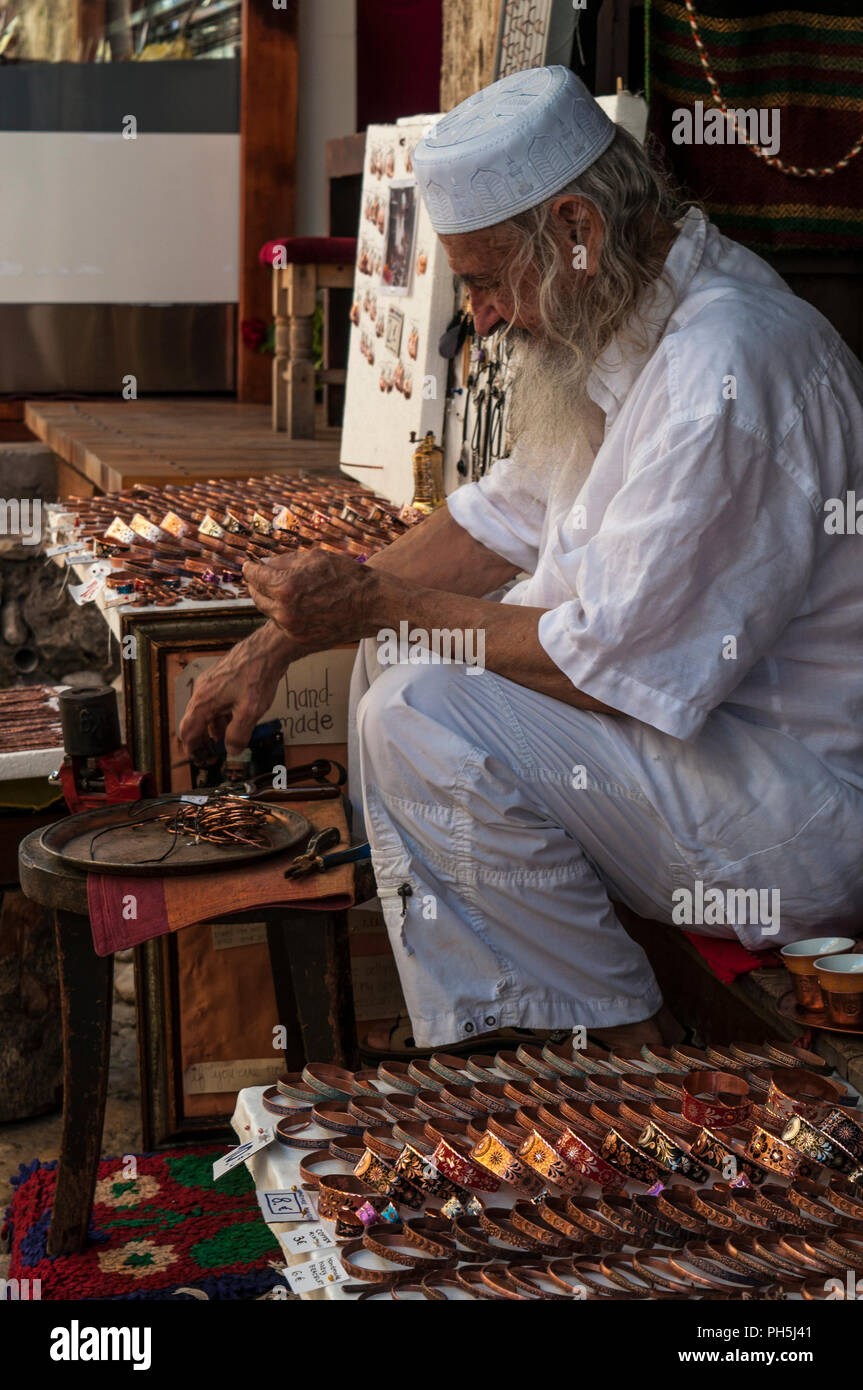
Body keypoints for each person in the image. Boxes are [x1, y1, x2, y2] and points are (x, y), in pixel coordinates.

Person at [180, 66, 863, 1052]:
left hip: (798, 816)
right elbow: (489, 523)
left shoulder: (728, 365)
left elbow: (607, 667)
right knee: (396, 666)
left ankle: (620, 1061)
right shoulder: (627, 326)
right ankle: (538, 1036)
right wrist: (271, 645)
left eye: (491, 281)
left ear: (578, 232)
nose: (487, 318)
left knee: (421, 705)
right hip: (709, 773)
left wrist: (374, 604)